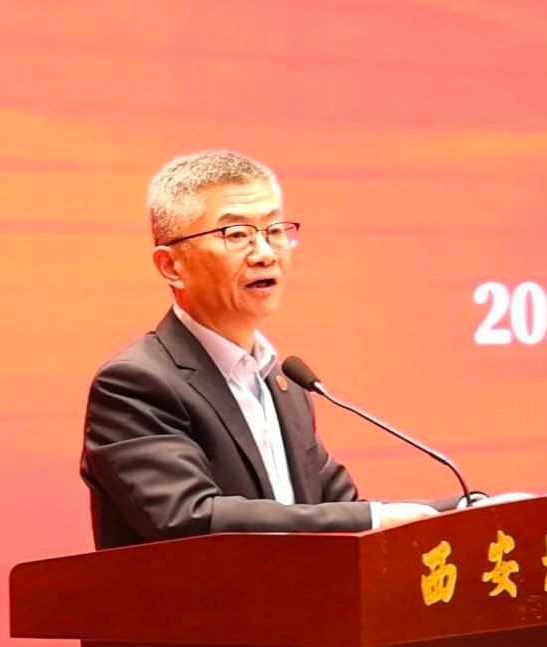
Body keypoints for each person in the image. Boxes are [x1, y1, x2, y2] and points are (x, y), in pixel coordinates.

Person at [80, 150, 468, 550]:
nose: (265, 253)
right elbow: (190, 517)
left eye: (275, 230)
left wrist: (461, 511)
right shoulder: (137, 383)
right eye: (236, 235)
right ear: (171, 266)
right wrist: (374, 517)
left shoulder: (285, 384)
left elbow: (340, 512)